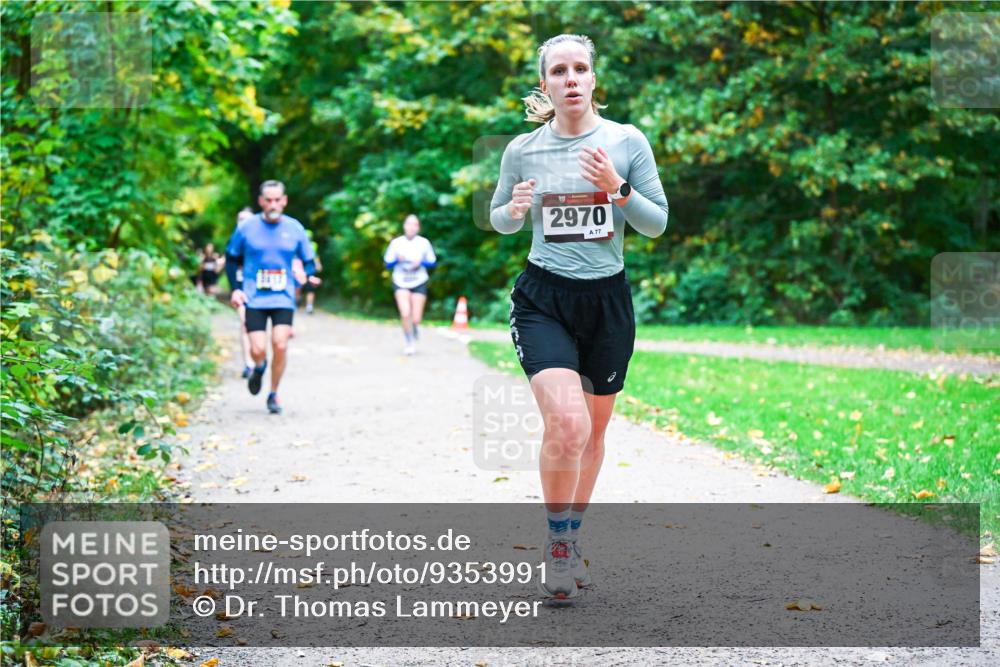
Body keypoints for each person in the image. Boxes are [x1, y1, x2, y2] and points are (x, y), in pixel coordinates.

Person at [489, 34, 668, 600]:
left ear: (593, 80)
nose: (570, 78)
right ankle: (558, 545)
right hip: (544, 298)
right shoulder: (522, 149)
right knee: (568, 424)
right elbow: (499, 217)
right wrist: (513, 210)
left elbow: (657, 223)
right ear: (545, 84)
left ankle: (571, 535)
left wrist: (616, 188)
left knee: (593, 434)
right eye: (559, 70)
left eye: (580, 69)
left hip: (607, 302)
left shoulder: (626, 141)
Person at [225, 181, 316, 414]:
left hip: (283, 298)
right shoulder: (247, 227)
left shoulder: (295, 228)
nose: (273, 204)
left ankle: (273, 393)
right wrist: (236, 288)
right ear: (261, 201)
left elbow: (309, 262)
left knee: (281, 344)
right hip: (254, 298)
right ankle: (259, 366)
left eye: (278, 200)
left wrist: (305, 274)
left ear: (284, 200)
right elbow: (231, 257)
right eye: (269, 200)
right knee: (257, 349)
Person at [383, 214, 436, 355]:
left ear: (418, 228)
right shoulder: (396, 243)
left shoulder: (424, 243)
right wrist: (396, 260)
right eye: (409, 224)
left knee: (416, 318)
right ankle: (409, 341)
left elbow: (432, 262)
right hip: (400, 281)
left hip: (419, 281)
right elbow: (387, 264)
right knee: (405, 313)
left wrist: (421, 262)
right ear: (404, 226)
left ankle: (415, 327)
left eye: (414, 224)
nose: (411, 227)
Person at [231, 207, 255, 378]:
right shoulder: (234, 242)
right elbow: (229, 262)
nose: (243, 222)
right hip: (241, 288)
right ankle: (249, 363)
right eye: (240, 219)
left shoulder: (261, 241)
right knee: (244, 322)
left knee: (257, 326)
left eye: (247, 219)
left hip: (260, 289)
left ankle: (258, 356)